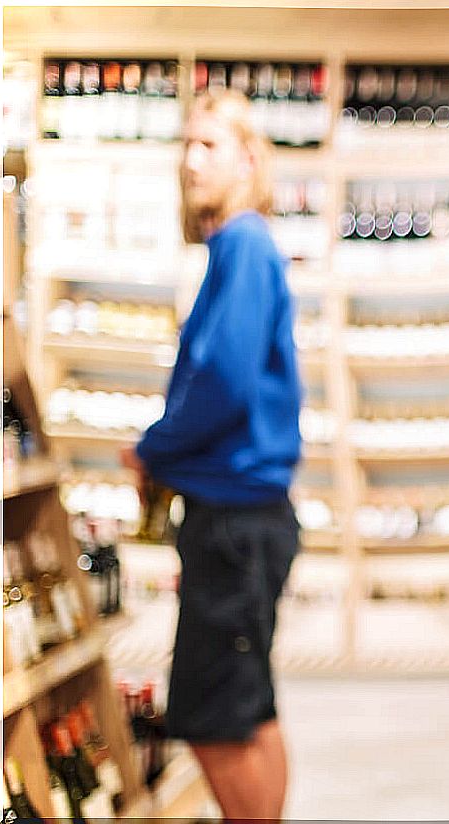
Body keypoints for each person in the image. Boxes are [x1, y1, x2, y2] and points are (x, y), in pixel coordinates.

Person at [120, 88, 302, 822]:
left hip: (231, 525)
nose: (190, 161)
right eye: (185, 145)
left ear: (248, 160)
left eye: (209, 145)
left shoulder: (245, 245)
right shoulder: (241, 246)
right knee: (248, 709)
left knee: (215, 721)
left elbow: (222, 382)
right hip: (246, 522)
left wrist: (151, 448)